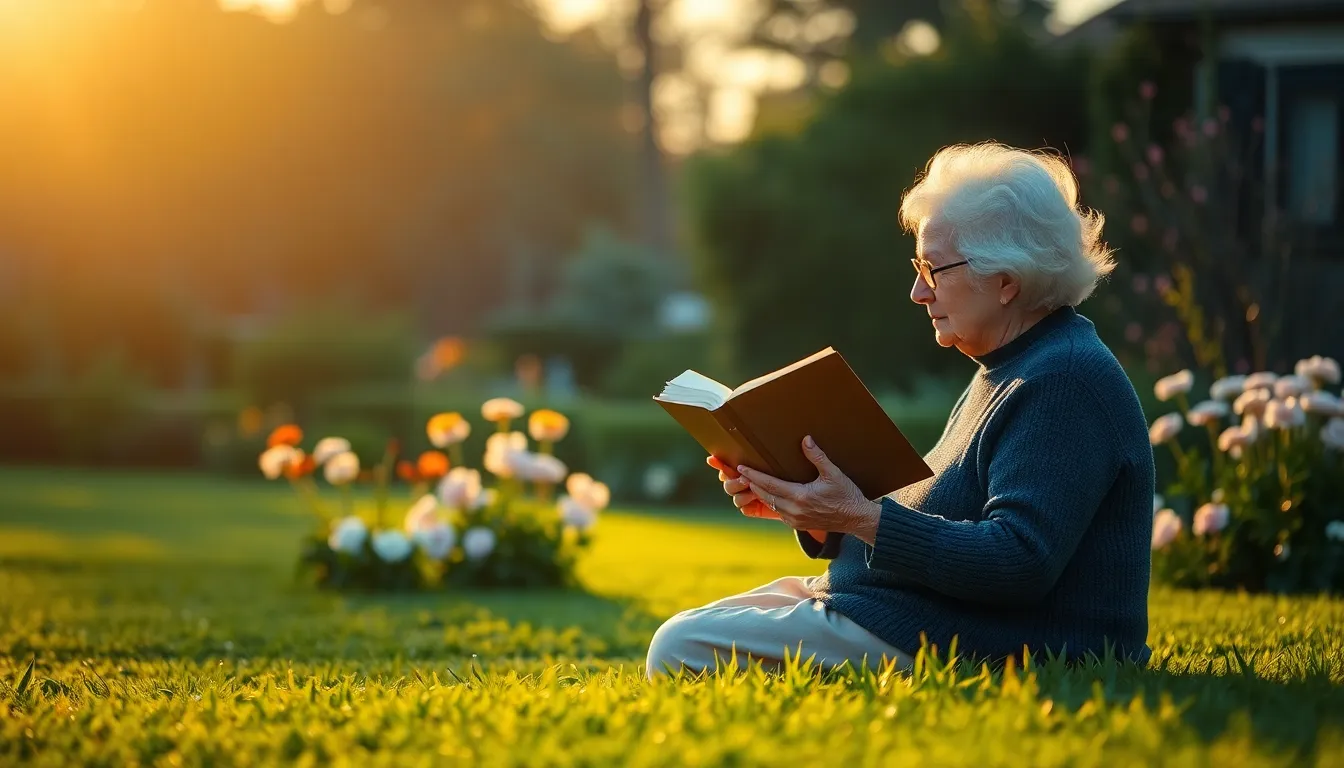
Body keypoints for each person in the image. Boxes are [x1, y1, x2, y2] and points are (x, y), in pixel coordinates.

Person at [645, 142, 1154, 679]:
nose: (917, 291)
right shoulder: (1013, 365)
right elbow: (947, 510)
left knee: (682, 644)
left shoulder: (1064, 381)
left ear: (1007, 280)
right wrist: (810, 509)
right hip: (916, 611)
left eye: (934, 269)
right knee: (693, 628)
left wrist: (859, 516)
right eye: (919, 266)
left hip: (999, 640)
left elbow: (1018, 561)